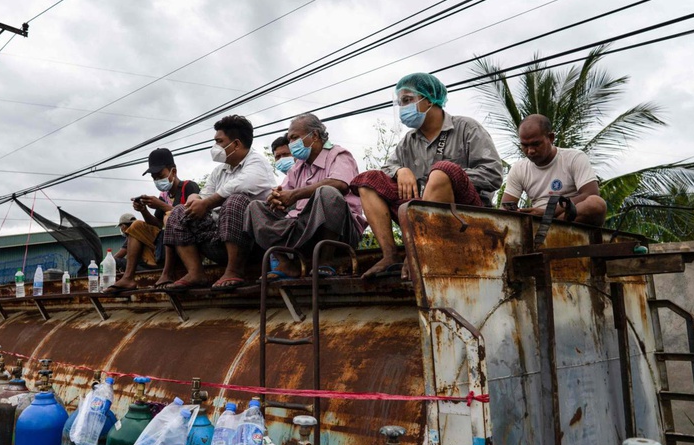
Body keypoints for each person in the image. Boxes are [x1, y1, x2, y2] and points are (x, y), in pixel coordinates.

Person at [351, 73, 503, 278]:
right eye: (400, 102)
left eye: (407, 100)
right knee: (368, 181)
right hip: (418, 212)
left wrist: (446, 177)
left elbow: (493, 173)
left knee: (441, 171)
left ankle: (417, 254)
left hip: (467, 214)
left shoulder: (467, 128)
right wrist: (400, 170)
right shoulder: (409, 140)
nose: (403, 107)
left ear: (429, 99)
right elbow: (389, 166)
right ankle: (390, 255)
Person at [162, 114, 276, 291]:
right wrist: (194, 199)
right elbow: (204, 194)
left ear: (236, 144)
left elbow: (237, 186)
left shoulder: (257, 163)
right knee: (178, 212)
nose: (215, 147)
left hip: (253, 242)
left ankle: (234, 270)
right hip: (219, 238)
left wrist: (206, 203)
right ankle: (195, 273)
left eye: (219, 141)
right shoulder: (219, 171)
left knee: (235, 200)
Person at [245, 114, 367, 278]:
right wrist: (276, 198)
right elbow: (283, 193)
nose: (291, 144)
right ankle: (286, 264)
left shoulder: (339, 155)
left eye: (295, 138)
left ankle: (326, 260)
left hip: (340, 230)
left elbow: (340, 184)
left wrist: (295, 195)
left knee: (328, 192)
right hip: (304, 227)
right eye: (290, 140)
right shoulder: (298, 167)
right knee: (254, 208)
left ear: (314, 135)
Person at [108, 149, 200, 292]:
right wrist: (143, 210)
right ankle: (128, 278)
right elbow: (157, 225)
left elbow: (187, 213)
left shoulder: (189, 186)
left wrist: (161, 205)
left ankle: (167, 273)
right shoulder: (163, 195)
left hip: (187, 240)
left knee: (169, 217)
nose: (157, 180)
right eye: (154, 178)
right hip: (168, 242)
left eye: (160, 175)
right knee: (137, 225)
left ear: (173, 172)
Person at [501, 114, 607, 225]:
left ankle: (553, 228)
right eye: (525, 145)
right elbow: (505, 208)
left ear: (551, 138)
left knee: (596, 203)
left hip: (570, 218)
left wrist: (548, 213)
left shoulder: (574, 158)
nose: (530, 151)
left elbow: (591, 193)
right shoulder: (519, 169)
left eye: (536, 144)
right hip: (536, 223)